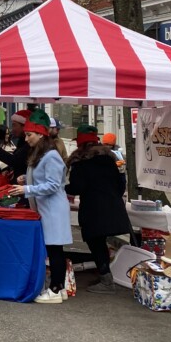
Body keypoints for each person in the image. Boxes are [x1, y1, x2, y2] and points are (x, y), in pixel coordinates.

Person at [6, 110, 71, 304]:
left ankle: (56, 289)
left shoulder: (50, 155)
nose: (26, 139)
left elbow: (52, 185)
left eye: (29, 135)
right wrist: (26, 179)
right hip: (47, 208)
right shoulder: (43, 154)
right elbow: (46, 179)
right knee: (54, 250)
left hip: (53, 209)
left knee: (55, 250)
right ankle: (59, 287)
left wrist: (26, 187)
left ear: (40, 134)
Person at [65, 125, 130, 293]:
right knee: (101, 243)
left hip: (93, 210)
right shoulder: (109, 160)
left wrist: (63, 188)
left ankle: (106, 280)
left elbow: (76, 188)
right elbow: (120, 183)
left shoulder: (81, 164)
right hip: (113, 206)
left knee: (96, 244)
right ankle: (105, 275)